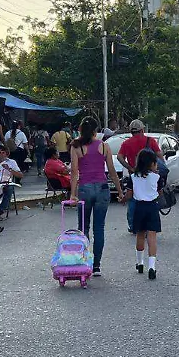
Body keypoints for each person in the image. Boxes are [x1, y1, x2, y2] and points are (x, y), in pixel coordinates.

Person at [68, 118, 124, 277]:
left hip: (84, 189)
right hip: (102, 188)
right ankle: (97, 266)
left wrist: (73, 193)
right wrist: (119, 191)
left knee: (83, 228)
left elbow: (74, 172)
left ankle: (84, 262)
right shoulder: (104, 146)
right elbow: (112, 171)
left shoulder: (76, 147)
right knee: (99, 228)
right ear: (95, 131)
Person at [117, 119, 165, 233]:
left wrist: (129, 167)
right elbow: (159, 155)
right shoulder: (150, 141)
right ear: (142, 129)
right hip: (150, 176)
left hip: (134, 175)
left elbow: (119, 157)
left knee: (134, 200)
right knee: (151, 197)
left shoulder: (126, 143)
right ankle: (150, 224)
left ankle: (133, 225)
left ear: (131, 131)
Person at [129, 149, 162, 280]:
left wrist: (123, 198)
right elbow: (159, 191)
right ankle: (152, 267)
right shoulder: (157, 177)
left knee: (140, 235)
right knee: (152, 236)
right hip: (152, 206)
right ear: (152, 164)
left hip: (139, 206)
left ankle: (140, 263)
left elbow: (130, 193)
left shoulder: (133, 177)